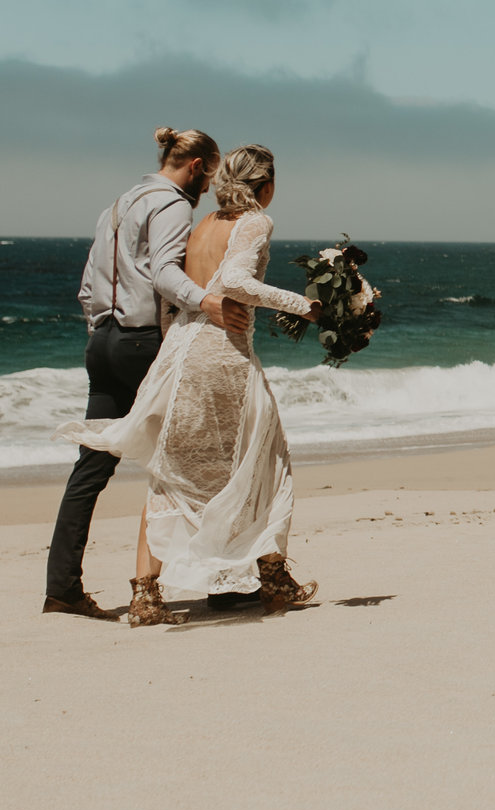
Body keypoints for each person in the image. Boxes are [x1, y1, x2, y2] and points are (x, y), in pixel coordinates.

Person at [58, 144, 320, 626]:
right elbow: (239, 282)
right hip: (221, 355)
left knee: (173, 473)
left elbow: (170, 288)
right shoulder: (256, 222)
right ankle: (273, 580)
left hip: (179, 350)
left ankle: (146, 595)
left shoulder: (202, 225)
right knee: (264, 461)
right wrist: (306, 307)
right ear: (266, 185)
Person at [43, 127, 250, 619]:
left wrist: (100, 332)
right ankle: (221, 587)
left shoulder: (115, 206)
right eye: (210, 175)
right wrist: (209, 302)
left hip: (104, 341)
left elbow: (87, 288)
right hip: (143, 344)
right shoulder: (173, 204)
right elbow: (163, 272)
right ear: (197, 166)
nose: (208, 190)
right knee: (197, 456)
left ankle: (62, 587)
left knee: (90, 468)